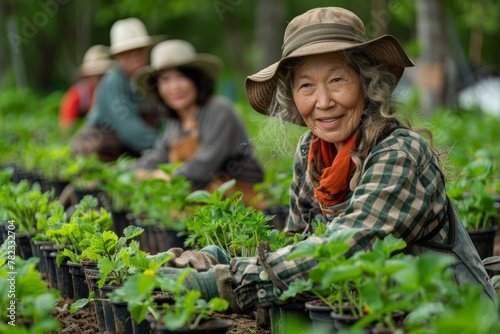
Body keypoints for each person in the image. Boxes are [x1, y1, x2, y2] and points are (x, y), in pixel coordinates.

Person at [157, 7, 498, 314]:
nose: (323, 101)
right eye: (306, 86)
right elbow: (301, 245)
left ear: (367, 83)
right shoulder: (311, 150)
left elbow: (346, 247)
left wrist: (225, 281)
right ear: (292, 98)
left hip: (451, 317)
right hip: (372, 313)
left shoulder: (398, 153)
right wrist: (217, 259)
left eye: (337, 80)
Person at [130, 39, 265, 205]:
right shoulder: (174, 122)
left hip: (239, 200)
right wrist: (130, 172)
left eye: (181, 77)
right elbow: (157, 156)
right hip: (201, 198)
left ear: (196, 79)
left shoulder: (218, 110)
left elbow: (203, 165)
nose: (174, 87)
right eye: (165, 80)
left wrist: (164, 177)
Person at [70, 17, 164, 162]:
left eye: (139, 49)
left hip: (134, 145)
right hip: (105, 142)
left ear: (147, 50)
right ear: (117, 57)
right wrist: (169, 146)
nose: (134, 55)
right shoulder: (113, 81)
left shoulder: (152, 79)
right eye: (127, 52)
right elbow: (130, 129)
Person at [59, 45, 114, 131]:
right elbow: (66, 127)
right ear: (86, 77)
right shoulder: (76, 95)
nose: (97, 80)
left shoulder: (115, 92)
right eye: (93, 75)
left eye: (101, 75)